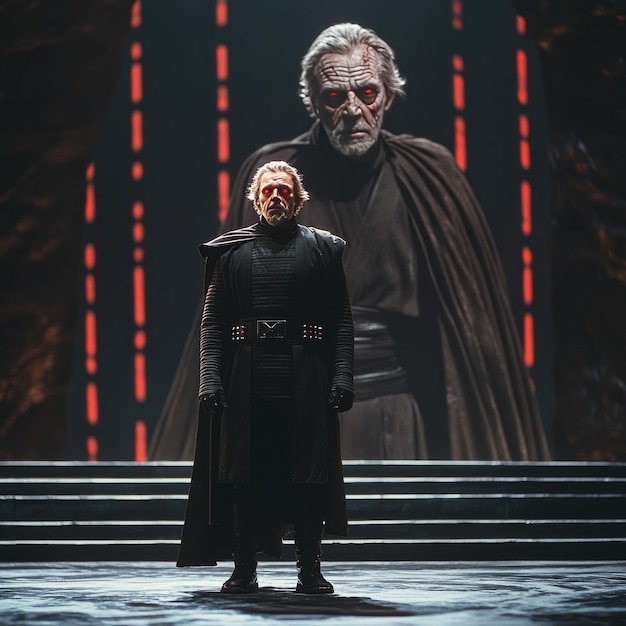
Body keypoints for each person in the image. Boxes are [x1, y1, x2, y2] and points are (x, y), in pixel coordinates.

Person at [151, 22, 549, 462]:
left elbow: (474, 326)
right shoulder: (272, 173)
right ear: (314, 103)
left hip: (395, 413)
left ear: (389, 96)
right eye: (336, 97)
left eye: (368, 93)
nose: (354, 110)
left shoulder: (431, 174)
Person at [176, 161, 354, 595]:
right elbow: (213, 322)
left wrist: (343, 377)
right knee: (243, 475)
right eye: (268, 190)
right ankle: (243, 570)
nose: (276, 197)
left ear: (298, 199)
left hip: (306, 377)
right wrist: (210, 379)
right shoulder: (230, 253)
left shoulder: (323, 249)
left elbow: (340, 320)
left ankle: (309, 571)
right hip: (246, 379)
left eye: (284, 191)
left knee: (308, 475)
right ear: (255, 198)